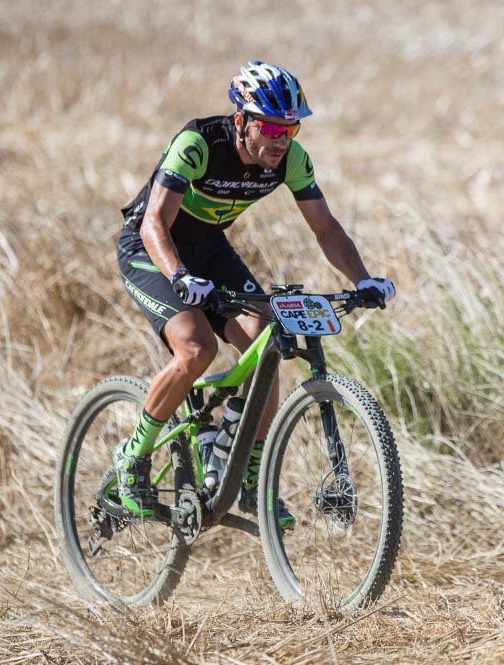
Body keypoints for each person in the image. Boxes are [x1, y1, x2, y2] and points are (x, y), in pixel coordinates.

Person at [114, 61, 395, 528]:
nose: (280, 139)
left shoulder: (291, 158)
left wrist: (362, 279)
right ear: (241, 120)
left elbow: (325, 228)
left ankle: (243, 470)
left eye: (290, 128)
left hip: (210, 249)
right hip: (152, 248)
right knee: (197, 347)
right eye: (269, 127)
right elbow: (153, 223)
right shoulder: (198, 144)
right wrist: (179, 274)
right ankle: (133, 457)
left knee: (268, 342)